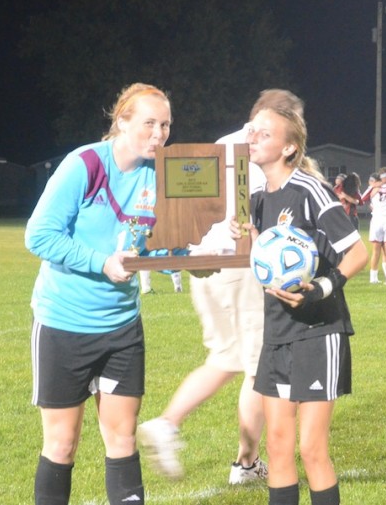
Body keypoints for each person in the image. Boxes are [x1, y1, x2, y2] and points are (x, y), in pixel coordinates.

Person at [137, 89, 304, 484]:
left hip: (204, 264)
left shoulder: (221, 144)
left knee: (224, 359)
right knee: (257, 366)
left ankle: (167, 423)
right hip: (241, 264)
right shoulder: (266, 148)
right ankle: (246, 464)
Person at [25, 83, 172, 505]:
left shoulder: (159, 174)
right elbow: (39, 236)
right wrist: (102, 262)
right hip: (63, 323)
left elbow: (159, 243)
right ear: (122, 121)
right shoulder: (84, 164)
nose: (158, 133)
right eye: (149, 123)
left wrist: (196, 257)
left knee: (123, 436)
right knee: (62, 442)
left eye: (165, 125)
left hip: (122, 326)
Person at [234, 106, 368, 505]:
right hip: (277, 332)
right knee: (277, 446)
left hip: (318, 331)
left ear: (289, 147)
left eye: (265, 133)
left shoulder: (310, 189)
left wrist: (321, 288)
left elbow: (358, 253)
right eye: (252, 131)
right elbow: (260, 264)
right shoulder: (255, 198)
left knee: (311, 448)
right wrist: (247, 235)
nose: (254, 138)